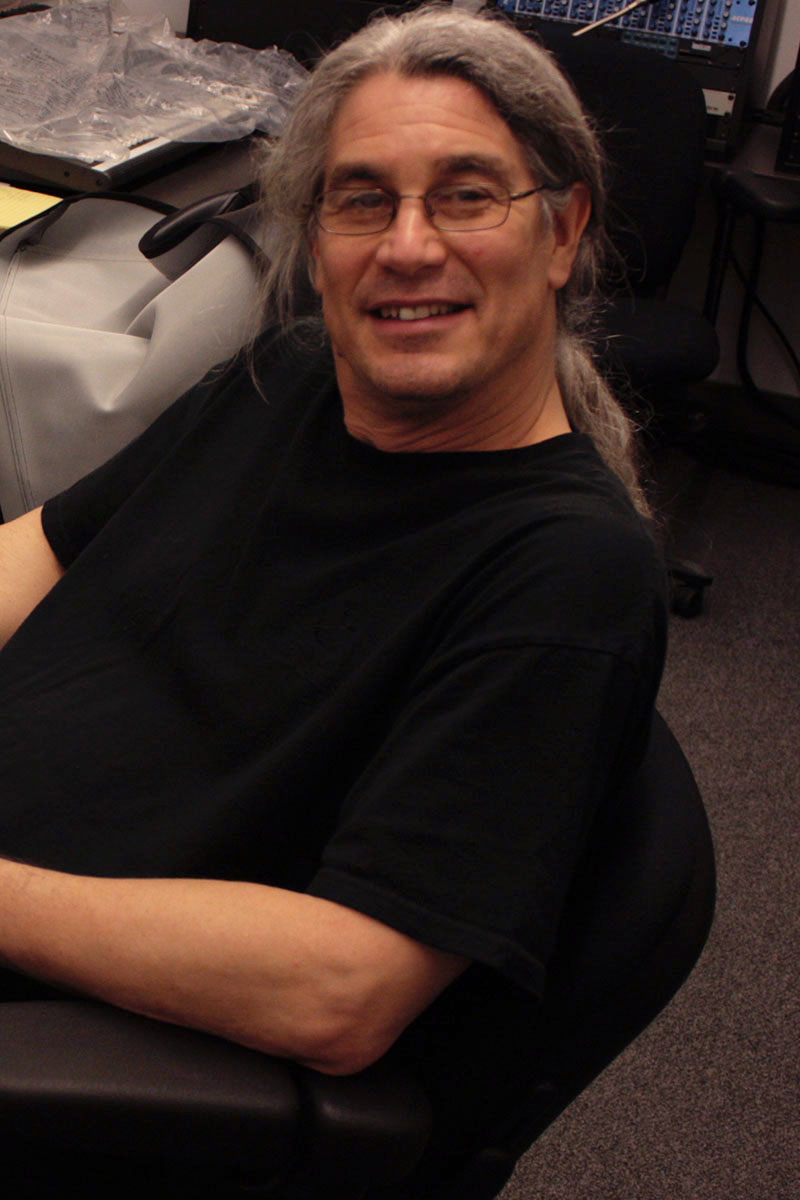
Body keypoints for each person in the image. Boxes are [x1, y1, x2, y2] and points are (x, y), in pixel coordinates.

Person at [0, 2, 667, 1189]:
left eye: (466, 194)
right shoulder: (295, 377)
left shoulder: (565, 573)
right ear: (313, 238)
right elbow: (41, 550)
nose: (408, 247)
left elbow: (341, 991)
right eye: (363, 200)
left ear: (561, 233)